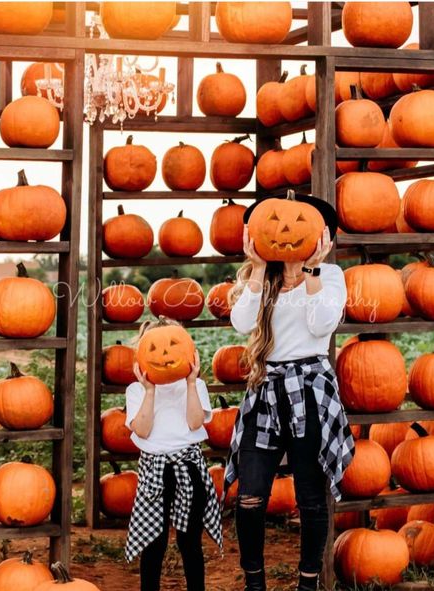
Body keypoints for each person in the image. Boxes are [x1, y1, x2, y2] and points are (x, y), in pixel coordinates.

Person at [224, 193, 355, 591]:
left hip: (310, 389)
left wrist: (311, 270)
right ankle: (255, 583)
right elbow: (241, 323)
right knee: (250, 496)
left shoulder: (329, 276)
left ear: (321, 234)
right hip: (266, 386)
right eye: (275, 221)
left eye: (297, 221)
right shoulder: (262, 276)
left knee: (311, 497)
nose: (285, 229)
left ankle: (307, 582)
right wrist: (260, 269)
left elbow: (321, 326)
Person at [124, 317, 222, 591]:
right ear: (142, 354)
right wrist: (150, 390)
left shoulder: (196, 387)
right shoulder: (136, 392)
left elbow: (194, 422)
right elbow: (142, 430)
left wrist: (191, 383)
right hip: (154, 470)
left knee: (189, 541)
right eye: (154, 348)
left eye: (173, 345)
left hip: (188, 467)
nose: (165, 355)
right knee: (153, 542)